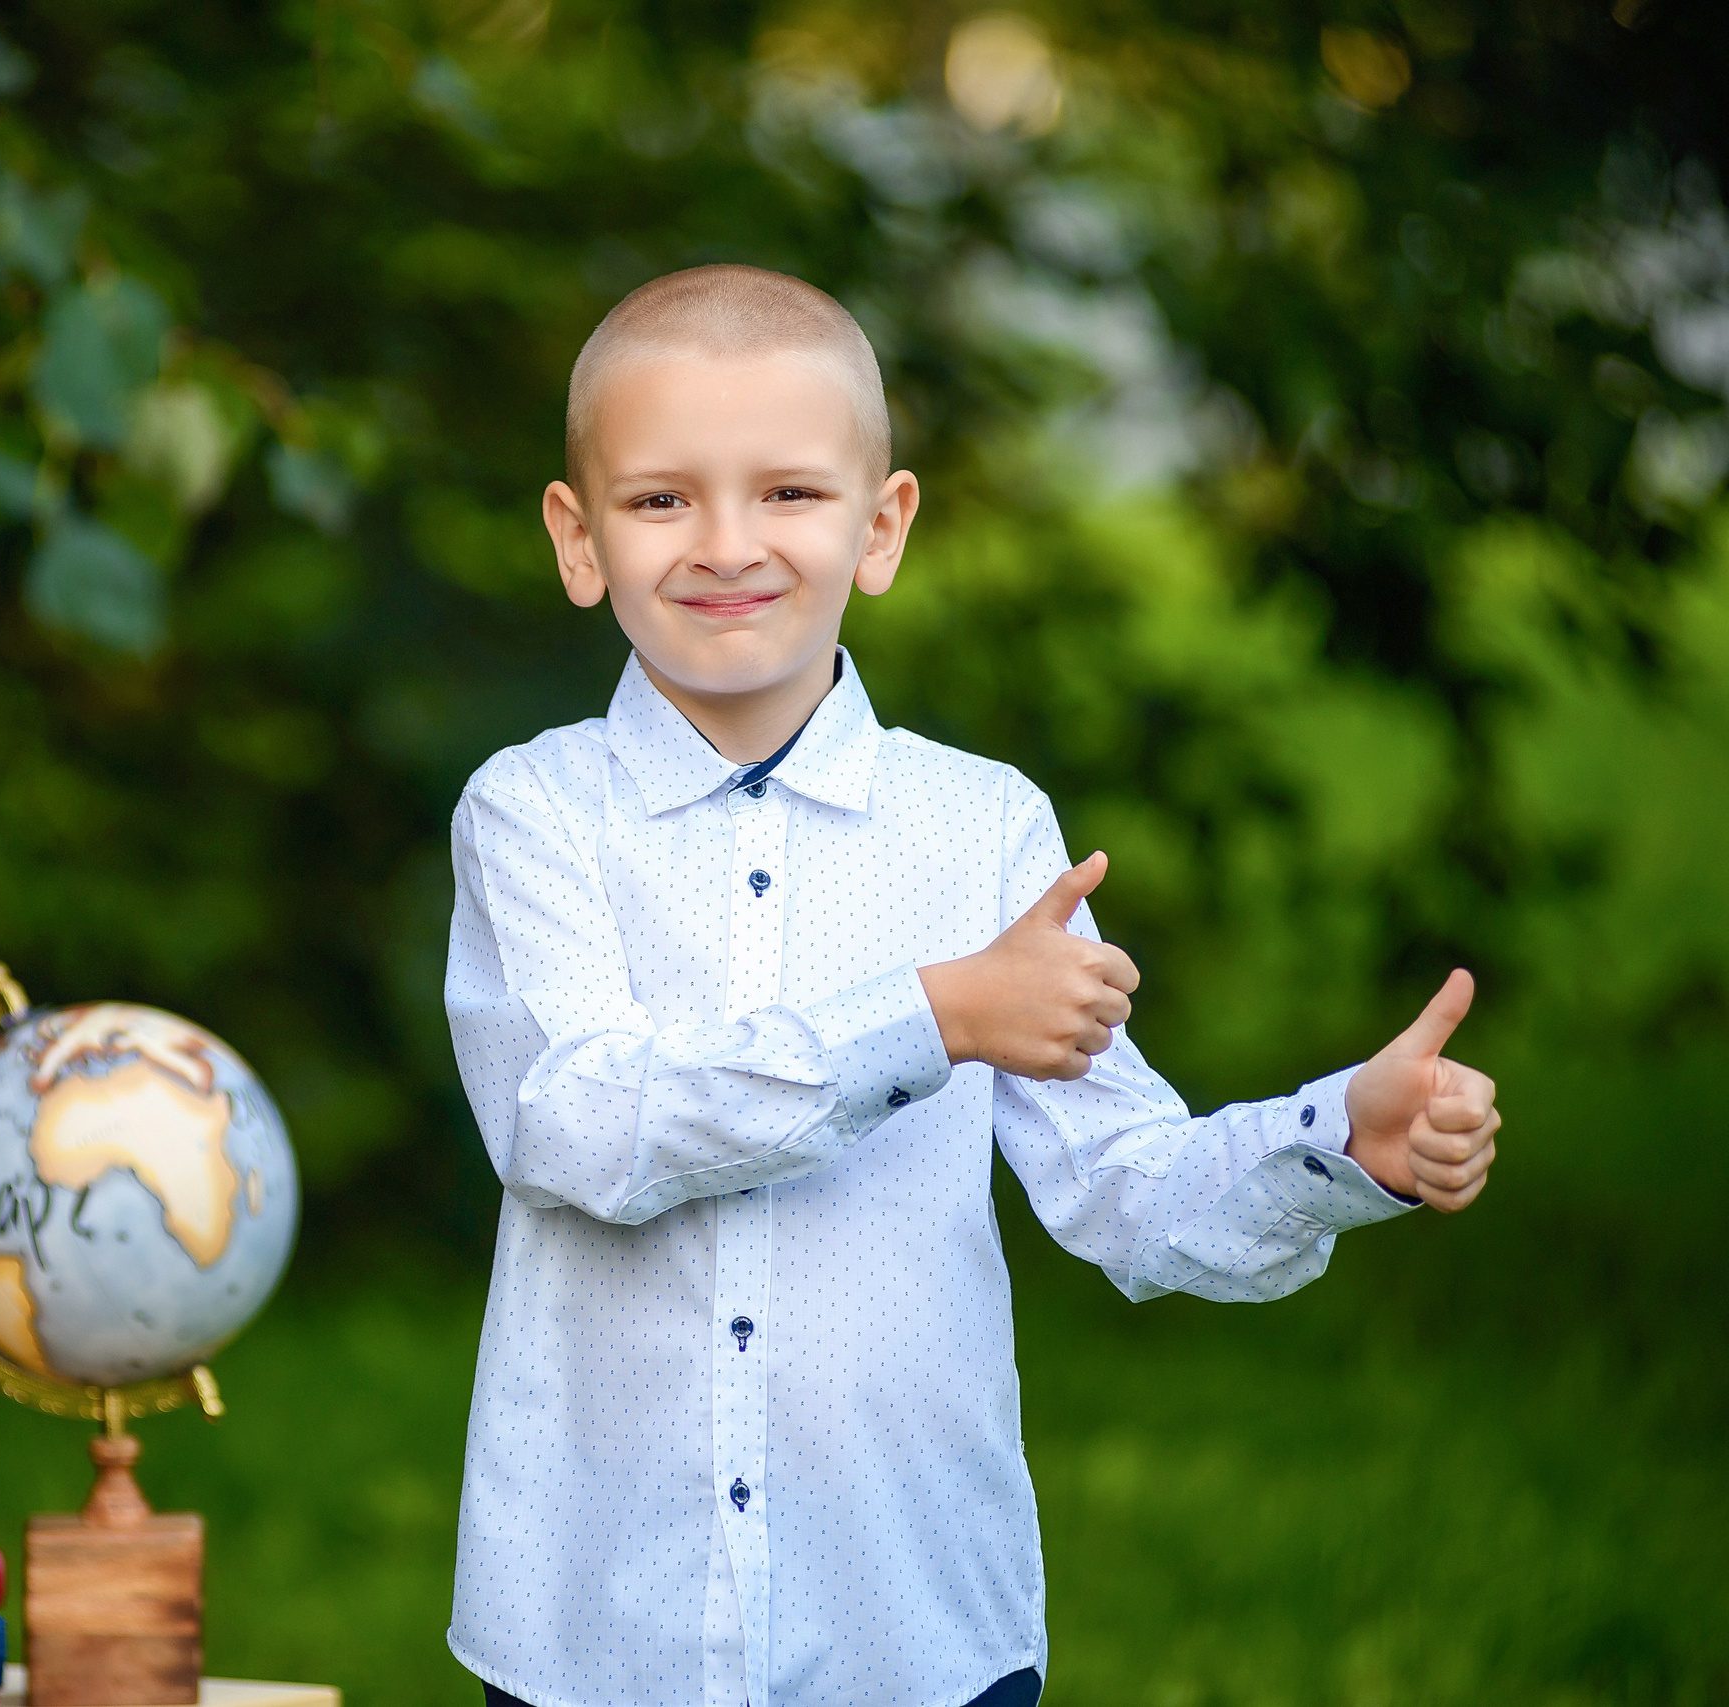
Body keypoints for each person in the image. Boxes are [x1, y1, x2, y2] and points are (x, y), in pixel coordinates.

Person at [440, 265, 1500, 1707]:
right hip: (599, 1630)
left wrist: (1337, 1144)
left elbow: (1122, 1182)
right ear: (580, 538)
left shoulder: (984, 828)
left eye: (793, 495)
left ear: (882, 529)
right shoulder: (534, 813)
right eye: (661, 498)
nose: (727, 543)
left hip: (912, 1626)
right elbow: (576, 1126)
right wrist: (927, 1018)